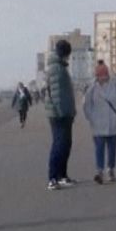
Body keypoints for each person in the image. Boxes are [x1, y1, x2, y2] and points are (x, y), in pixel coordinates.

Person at [82, 61, 116, 184]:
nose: (103, 77)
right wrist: (91, 118)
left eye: (105, 75)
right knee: (99, 148)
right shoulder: (91, 89)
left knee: (112, 149)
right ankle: (99, 171)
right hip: (98, 124)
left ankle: (111, 169)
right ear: (96, 76)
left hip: (114, 122)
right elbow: (86, 105)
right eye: (100, 75)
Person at [45, 39, 78, 191]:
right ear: (65, 54)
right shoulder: (57, 69)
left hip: (64, 113)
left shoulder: (59, 67)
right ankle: (53, 177)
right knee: (59, 145)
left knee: (65, 144)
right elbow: (57, 95)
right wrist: (63, 112)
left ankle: (62, 176)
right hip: (59, 114)